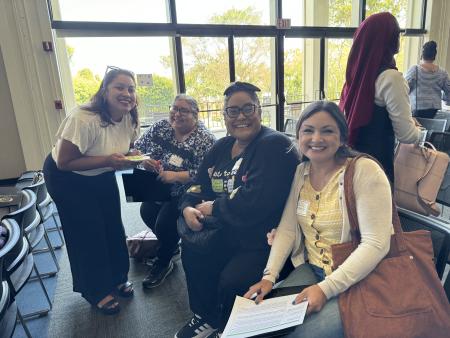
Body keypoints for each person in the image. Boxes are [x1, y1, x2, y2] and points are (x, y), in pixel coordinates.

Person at [245, 101, 393, 338]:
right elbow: (288, 229)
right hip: (313, 269)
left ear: (342, 138)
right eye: (308, 130)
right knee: (263, 323)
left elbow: (376, 244)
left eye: (327, 130)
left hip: (360, 277)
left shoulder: (364, 170)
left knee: (301, 335)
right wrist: (269, 276)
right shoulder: (301, 172)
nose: (316, 138)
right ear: (298, 136)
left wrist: (325, 289)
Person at [175, 82, 299, 338]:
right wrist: (188, 207)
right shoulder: (221, 146)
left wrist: (214, 208)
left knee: (233, 280)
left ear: (259, 111)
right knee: (193, 252)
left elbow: (256, 201)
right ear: (224, 116)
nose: (240, 116)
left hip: (261, 239)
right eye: (233, 111)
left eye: (248, 109)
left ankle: (230, 326)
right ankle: (207, 316)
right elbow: (198, 184)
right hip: (225, 231)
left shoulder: (273, 145)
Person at [43, 67, 140, 315]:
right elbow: (64, 162)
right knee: (88, 233)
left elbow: (122, 149)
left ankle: (118, 276)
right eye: (119, 87)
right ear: (105, 91)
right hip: (67, 178)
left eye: (131, 88)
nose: (126, 93)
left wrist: (136, 158)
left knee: (112, 226)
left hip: (101, 172)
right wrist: (109, 160)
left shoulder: (129, 116)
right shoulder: (84, 118)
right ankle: (96, 290)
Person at [133, 94, 215, 288]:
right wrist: (144, 160)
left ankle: (163, 262)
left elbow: (208, 174)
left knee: (164, 224)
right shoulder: (161, 126)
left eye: (183, 110)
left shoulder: (205, 139)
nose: (177, 114)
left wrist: (176, 176)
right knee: (146, 212)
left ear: (195, 115)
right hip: (158, 183)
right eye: (174, 108)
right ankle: (169, 246)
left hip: (189, 190)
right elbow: (136, 148)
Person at [339, 12, 421, 182]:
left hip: (351, 162)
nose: (399, 38)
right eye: (397, 33)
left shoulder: (354, 77)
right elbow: (407, 135)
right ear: (389, 38)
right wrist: (418, 130)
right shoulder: (391, 78)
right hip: (378, 166)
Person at [405, 40, 450, 119]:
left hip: (417, 112)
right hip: (435, 113)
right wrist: (443, 98)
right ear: (434, 55)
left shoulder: (414, 70)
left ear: (422, 54)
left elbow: (404, 89)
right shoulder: (442, 73)